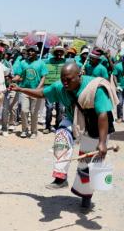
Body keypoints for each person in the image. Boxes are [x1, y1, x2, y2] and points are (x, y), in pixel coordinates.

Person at [10, 63, 117, 209]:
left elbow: (103, 115)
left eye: (69, 79)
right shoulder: (60, 87)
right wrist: (20, 89)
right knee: (61, 137)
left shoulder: (95, 88)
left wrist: (103, 142)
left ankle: (86, 197)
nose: (65, 82)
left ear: (79, 75)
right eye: (62, 79)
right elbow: (42, 93)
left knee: (86, 164)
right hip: (74, 120)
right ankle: (60, 177)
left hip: (96, 126)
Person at [13, 45, 48, 138]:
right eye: (29, 51)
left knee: (34, 112)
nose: (30, 52)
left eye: (32, 51)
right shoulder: (23, 63)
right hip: (24, 90)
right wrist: (12, 79)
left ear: (36, 53)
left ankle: (34, 132)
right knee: (24, 111)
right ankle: (24, 130)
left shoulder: (41, 63)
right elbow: (18, 76)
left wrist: (38, 88)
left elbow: (43, 77)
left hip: (36, 91)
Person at [43, 46, 66, 134]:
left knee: (60, 108)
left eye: (61, 52)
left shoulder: (65, 62)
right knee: (49, 108)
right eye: (57, 52)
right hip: (49, 88)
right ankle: (47, 126)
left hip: (61, 89)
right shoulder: (48, 61)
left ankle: (58, 126)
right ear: (54, 53)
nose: (59, 53)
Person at [113, 56, 124, 122]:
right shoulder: (117, 66)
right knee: (120, 103)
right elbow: (114, 76)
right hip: (120, 87)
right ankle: (120, 117)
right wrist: (117, 86)